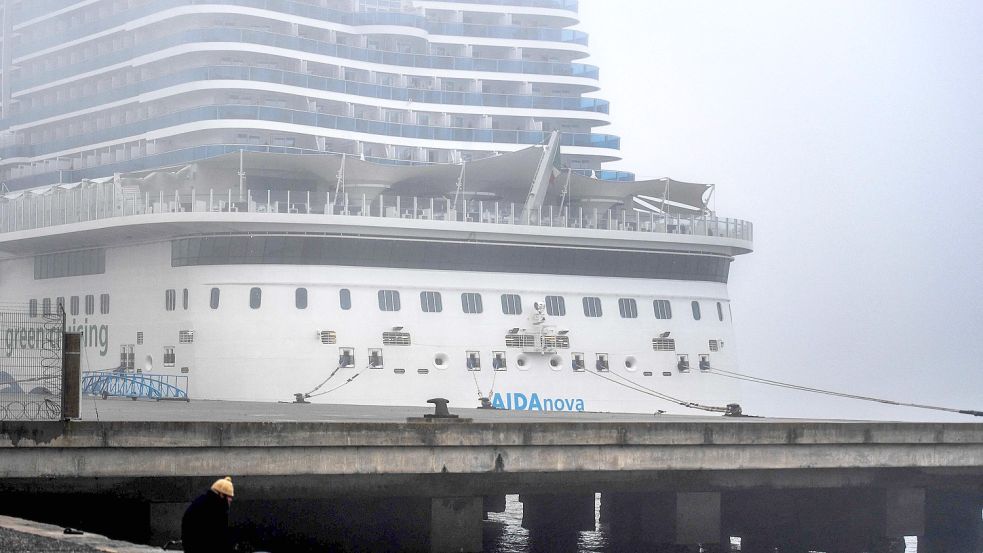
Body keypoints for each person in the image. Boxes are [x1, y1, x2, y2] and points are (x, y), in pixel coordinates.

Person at [181, 476, 234, 553]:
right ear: (222, 495)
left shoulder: (201, 502)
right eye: (229, 496)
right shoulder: (217, 509)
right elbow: (220, 537)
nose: (231, 500)